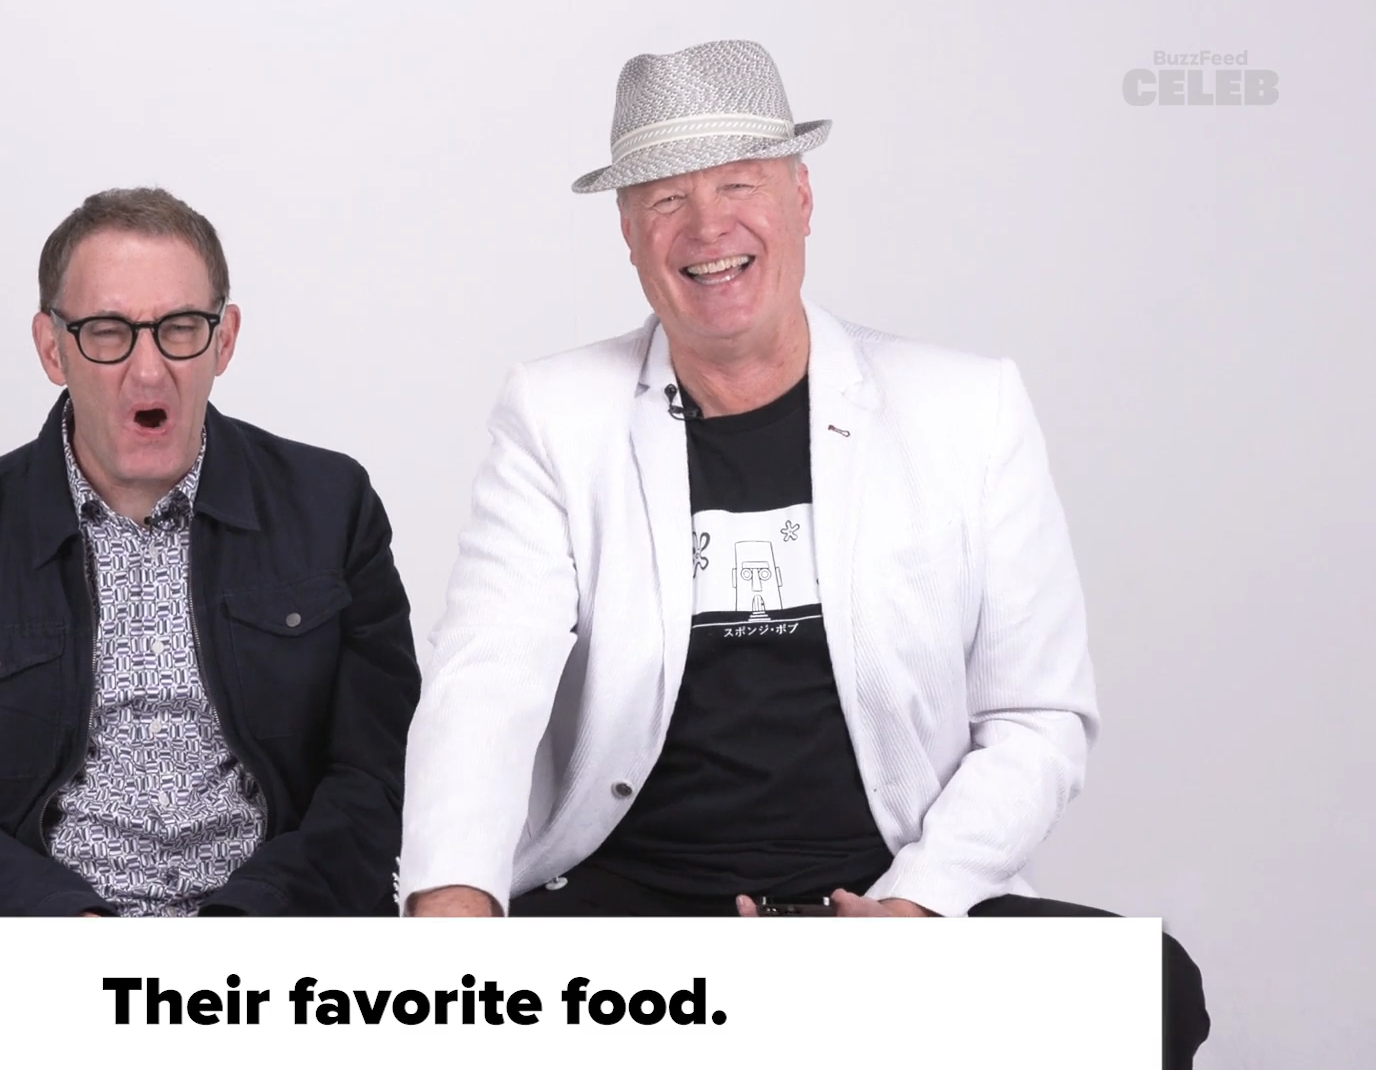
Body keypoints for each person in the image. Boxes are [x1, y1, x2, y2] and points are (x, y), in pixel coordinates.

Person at [395, 39, 1209, 1066]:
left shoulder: (968, 408)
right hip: (644, 914)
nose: (707, 227)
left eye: (740, 183)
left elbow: (1037, 715)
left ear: (801, 197)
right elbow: (486, 677)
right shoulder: (556, 415)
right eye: (665, 199)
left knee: (1148, 990)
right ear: (629, 233)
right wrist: (454, 905)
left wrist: (917, 903)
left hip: (887, 896)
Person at [0, 187, 419, 917]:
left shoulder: (332, 508)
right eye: (108, 332)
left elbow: (379, 775)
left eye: (180, 328)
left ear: (226, 338)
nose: (149, 370)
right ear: (52, 348)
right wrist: (62, 924)